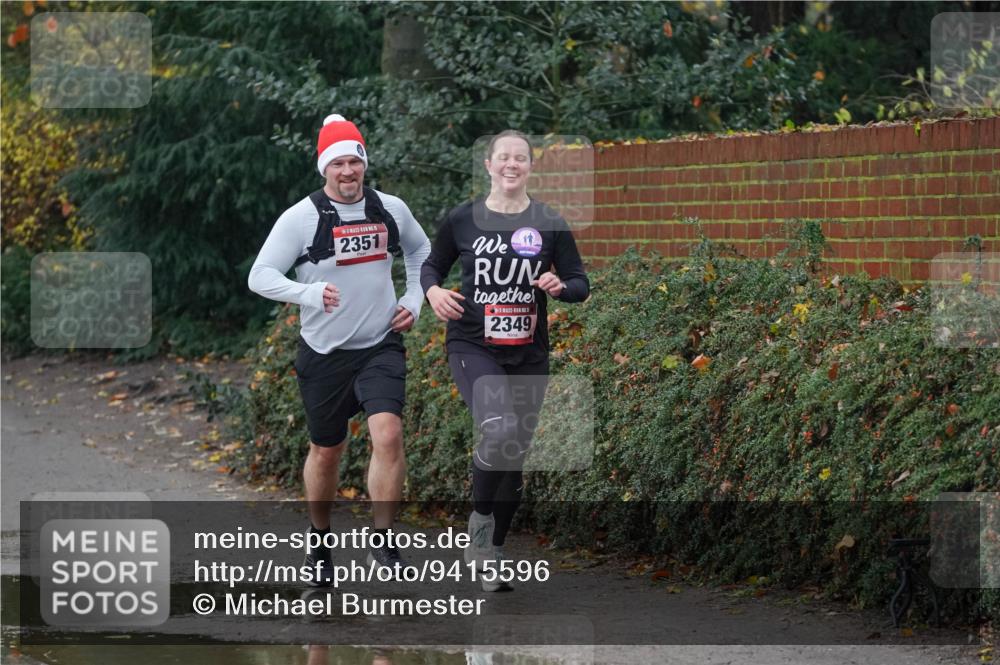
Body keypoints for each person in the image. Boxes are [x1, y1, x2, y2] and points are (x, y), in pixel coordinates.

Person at [249, 114, 430, 584]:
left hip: (380, 344)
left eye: (355, 162)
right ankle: (319, 539)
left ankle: (383, 542)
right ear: (324, 168)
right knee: (327, 451)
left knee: (387, 435)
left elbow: (420, 252)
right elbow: (260, 275)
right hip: (324, 351)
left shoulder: (390, 208)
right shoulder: (301, 217)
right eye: (338, 164)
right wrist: (308, 294)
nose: (348, 172)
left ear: (364, 164)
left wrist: (414, 299)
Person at [420, 130, 589, 591]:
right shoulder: (463, 219)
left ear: (530, 167)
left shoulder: (549, 222)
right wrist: (433, 292)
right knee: (499, 429)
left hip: (529, 353)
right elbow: (431, 266)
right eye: (504, 158)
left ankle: (493, 552)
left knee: (514, 455)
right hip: (473, 345)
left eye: (521, 158)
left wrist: (560, 287)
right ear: (489, 165)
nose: (512, 165)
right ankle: (478, 522)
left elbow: (580, 282)